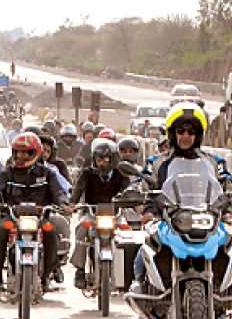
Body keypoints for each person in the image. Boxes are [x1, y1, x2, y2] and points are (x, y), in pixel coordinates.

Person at [130, 103, 232, 299]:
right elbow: (142, 182)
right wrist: (138, 198)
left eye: (191, 132)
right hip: (167, 218)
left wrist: (227, 208)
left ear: (198, 135)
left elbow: (226, 183)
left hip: (207, 216)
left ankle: (224, 291)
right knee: (147, 245)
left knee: (228, 242)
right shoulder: (156, 162)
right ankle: (141, 289)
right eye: (181, 131)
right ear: (172, 133)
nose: (186, 136)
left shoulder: (215, 163)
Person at [0, 132, 68, 290]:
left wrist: (63, 204)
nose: (22, 156)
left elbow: (58, 192)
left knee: (50, 232)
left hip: (39, 217)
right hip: (13, 216)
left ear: (35, 153)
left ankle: (46, 277)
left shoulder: (47, 174)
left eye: (26, 152)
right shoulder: (8, 172)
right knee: (2, 230)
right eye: (19, 152)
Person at [68, 138, 129, 289]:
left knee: (128, 232)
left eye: (106, 160)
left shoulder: (121, 175)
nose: (102, 163)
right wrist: (72, 204)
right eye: (99, 160)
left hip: (115, 215)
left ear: (113, 160)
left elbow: (128, 191)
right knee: (82, 228)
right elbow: (78, 189)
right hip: (93, 213)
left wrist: (137, 204)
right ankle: (80, 270)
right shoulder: (88, 173)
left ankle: (130, 275)